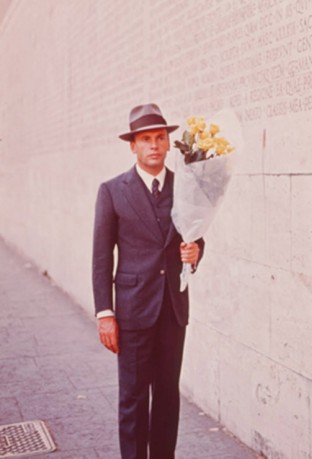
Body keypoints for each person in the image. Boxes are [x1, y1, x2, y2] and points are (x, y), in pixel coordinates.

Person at [92, 103, 204, 459]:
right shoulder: (112, 190)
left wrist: (196, 251)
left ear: (169, 143)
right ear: (133, 146)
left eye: (159, 138)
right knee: (133, 399)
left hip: (172, 308)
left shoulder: (185, 187)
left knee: (168, 396)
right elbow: (100, 256)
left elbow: (195, 236)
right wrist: (104, 313)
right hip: (132, 310)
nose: (154, 145)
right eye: (145, 139)